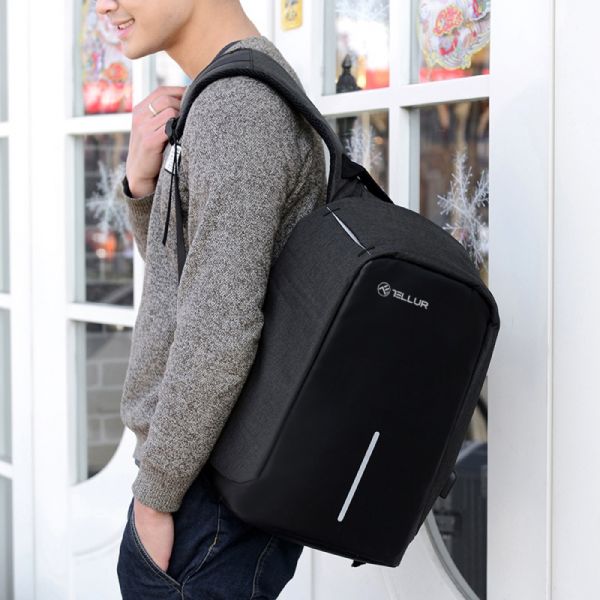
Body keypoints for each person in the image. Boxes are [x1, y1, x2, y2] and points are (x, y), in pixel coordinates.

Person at [94, 0, 327, 597]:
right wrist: (142, 186)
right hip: (205, 478)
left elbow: (219, 328)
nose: (102, 4)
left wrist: (155, 497)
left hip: (205, 495)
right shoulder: (231, 91)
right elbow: (190, 282)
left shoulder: (237, 105)